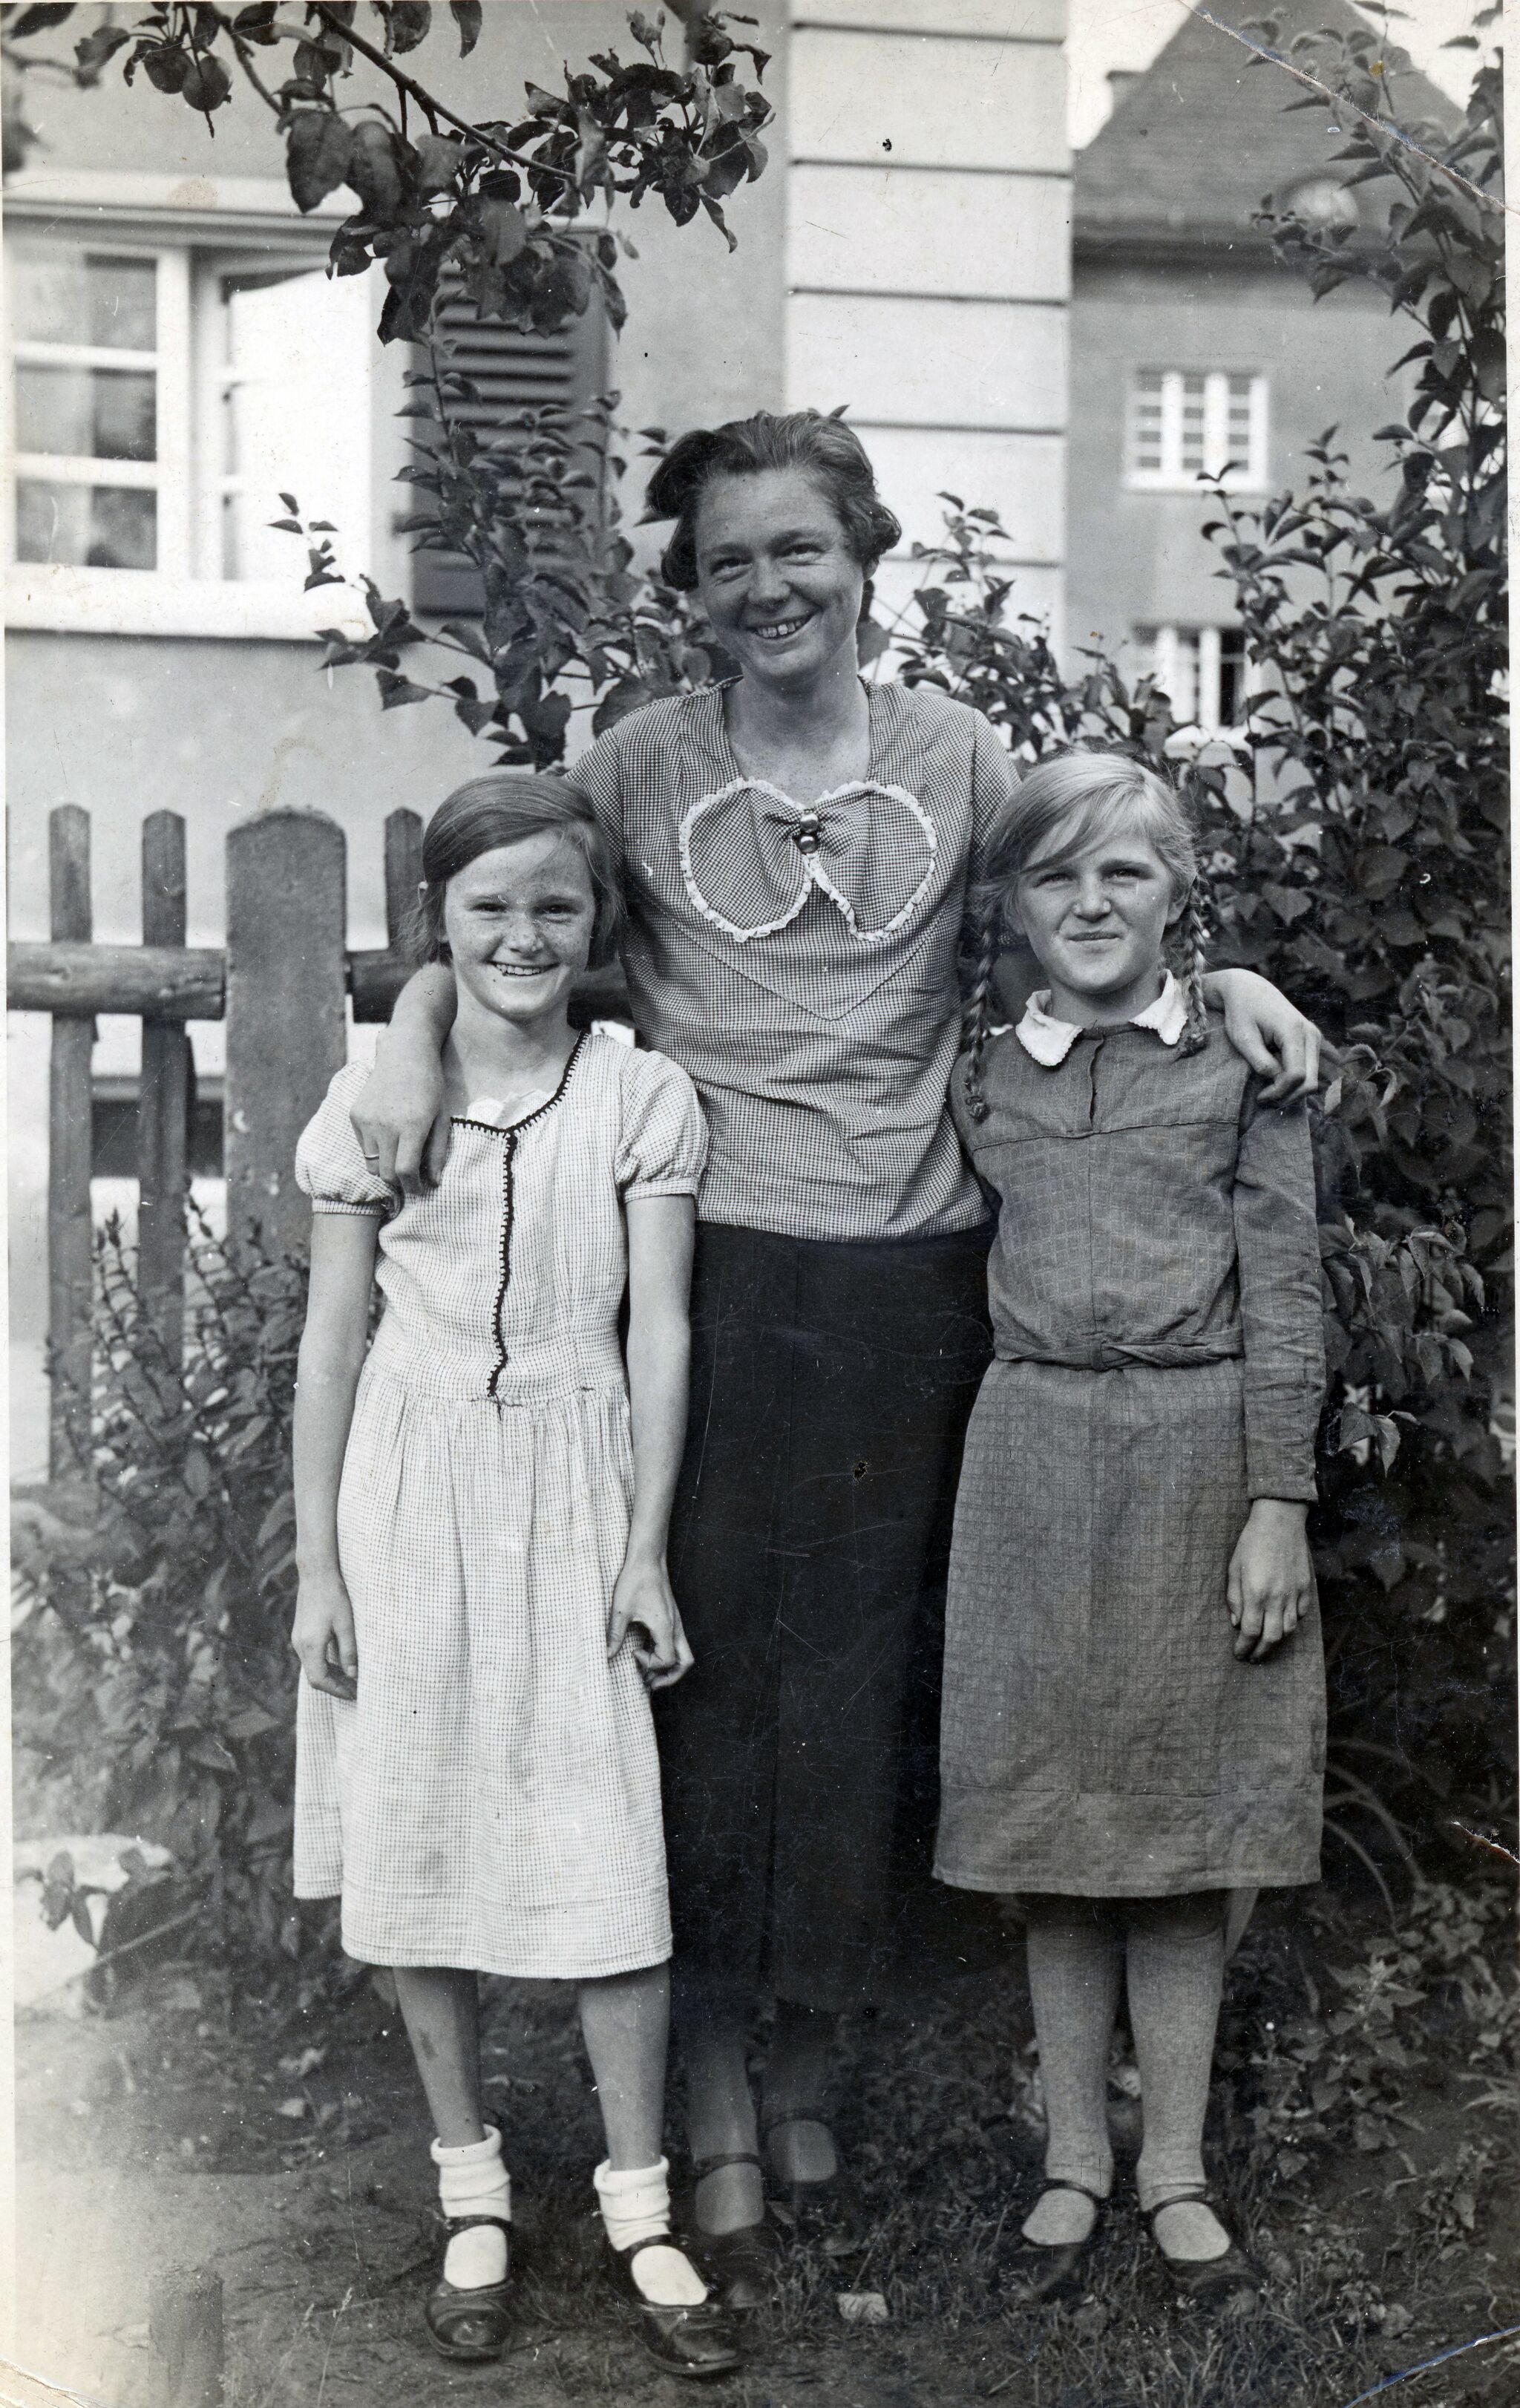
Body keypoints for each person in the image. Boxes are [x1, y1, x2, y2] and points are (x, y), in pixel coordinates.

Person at [347, 411, 1322, 2303]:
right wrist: (404, 1032)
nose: (767, 586)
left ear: (864, 560)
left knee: (864, 1690)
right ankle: (712, 2097)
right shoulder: (640, 759)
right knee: (705, 1680)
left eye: (799, 548)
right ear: (690, 591)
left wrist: (1230, 979)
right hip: (709, 1256)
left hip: (914, 1269)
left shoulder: (957, 753)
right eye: (726, 560)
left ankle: (809, 2073)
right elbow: (503, 895)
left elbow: (1094, 902)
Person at [289, 774, 741, 2378]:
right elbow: (331, 1343)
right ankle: (470, 2191)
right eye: (489, 908)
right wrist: (321, 1569)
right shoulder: (373, 1103)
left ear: (597, 919)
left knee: (605, 1841)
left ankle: (639, 2205)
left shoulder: (638, 1094)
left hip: (574, 1479)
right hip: (409, 1488)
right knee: (413, 1821)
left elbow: (660, 1330)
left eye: (556, 905)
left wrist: (644, 1549)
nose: (524, 936)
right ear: (442, 923)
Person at [939, 750, 1326, 2308]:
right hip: (1030, 1458)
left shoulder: (1243, 1063)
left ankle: (1172, 2166)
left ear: (1179, 892)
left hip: (1196, 1455)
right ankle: (1070, 2165)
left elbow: (1285, 1294)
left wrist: (1277, 1502)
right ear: (1013, 906)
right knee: (1053, 1827)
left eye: (1126, 871)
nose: (1091, 904)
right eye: (1056, 876)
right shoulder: (984, 1075)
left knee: (1178, 1833)